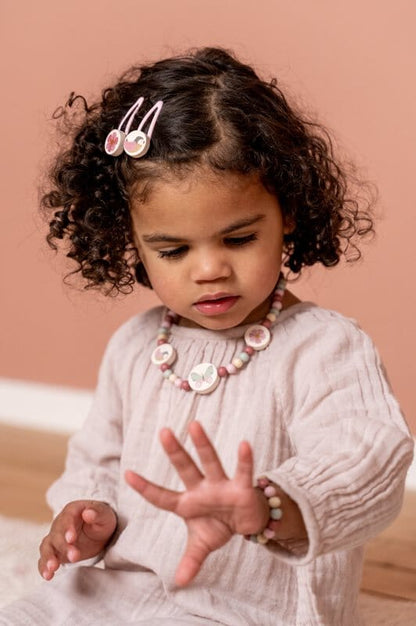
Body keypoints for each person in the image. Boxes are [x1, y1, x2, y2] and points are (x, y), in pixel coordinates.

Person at [1, 47, 413, 626]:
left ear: (287, 211)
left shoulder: (324, 348)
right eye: (172, 250)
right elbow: (99, 454)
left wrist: (267, 506)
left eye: (239, 239)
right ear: (132, 243)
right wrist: (86, 512)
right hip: (118, 591)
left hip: (243, 608)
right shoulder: (135, 345)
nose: (209, 270)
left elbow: (366, 458)